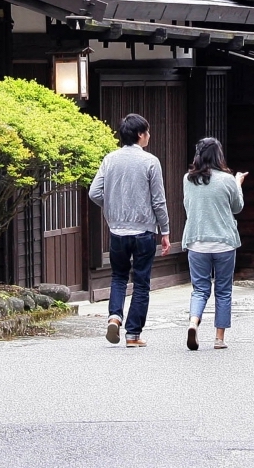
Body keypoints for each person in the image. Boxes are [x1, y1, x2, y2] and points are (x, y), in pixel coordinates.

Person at [87, 113, 169, 347]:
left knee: (119, 277)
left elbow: (94, 192)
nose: (149, 136)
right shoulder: (150, 161)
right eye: (147, 132)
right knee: (142, 282)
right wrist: (165, 230)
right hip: (144, 231)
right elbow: (159, 201)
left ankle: (114, 316)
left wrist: (111, 207)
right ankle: (133, 335)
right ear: (140, 135)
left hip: (117, 231)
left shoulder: (110, 159)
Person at [180, 136, 245, 351]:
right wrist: (237, 183)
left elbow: (188, 206)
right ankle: (219, 338)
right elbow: (237, 207)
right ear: (219, 155)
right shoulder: (227, 180)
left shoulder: (188, 179)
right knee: (223, 290)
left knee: (199, 289)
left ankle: (193, 322)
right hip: (224, 242)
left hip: (197, 241)